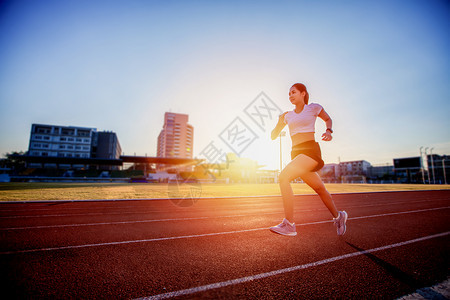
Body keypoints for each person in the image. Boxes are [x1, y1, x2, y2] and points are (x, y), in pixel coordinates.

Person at [270, 83, 347, 237]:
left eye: (294, 92)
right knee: (320, 189)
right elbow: (273, 136)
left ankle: (289, 224)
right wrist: (279, 123)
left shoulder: (313, 108)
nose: (290, 95)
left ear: (303, 93)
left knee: (283, 177)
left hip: (310, 152)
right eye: (289, 93)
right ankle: (339, 217)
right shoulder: (287, 116)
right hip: (296, 155)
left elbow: (328, 119)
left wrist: (329, 131)